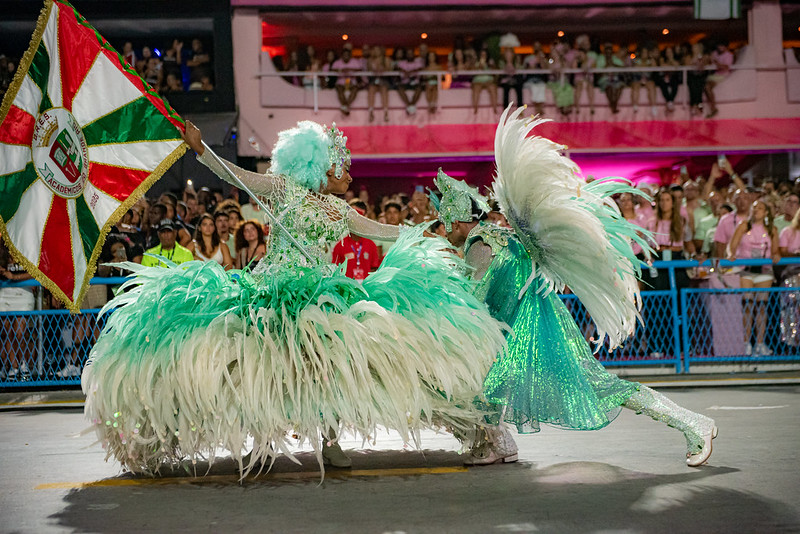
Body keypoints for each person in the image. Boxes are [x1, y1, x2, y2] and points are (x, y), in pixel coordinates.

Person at [82, 120, 506, 476]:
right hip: (271, 294)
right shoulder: (283, 192)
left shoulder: (341, 211)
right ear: (319, 167)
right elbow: (237, 177)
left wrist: (433, 233)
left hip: (323, 300)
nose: (350, 176)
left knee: (328, 370)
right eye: (342, 168)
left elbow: (386, 232)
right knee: (256, 368)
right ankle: (256, 437)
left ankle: (330, 439)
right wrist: (201, 150)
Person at [433, 106, 717, 467]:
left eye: (445, 224)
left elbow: (472, 305)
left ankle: (694, 423)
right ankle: (495, 445)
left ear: (459, 221)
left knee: (601, 387)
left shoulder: (479, 246)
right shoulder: (500, 235)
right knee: (488, 379)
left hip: (536, 332)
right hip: (532, 326)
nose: (444, 232)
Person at [728, 200, 780, 356]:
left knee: (761, 307)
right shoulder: (744, 226)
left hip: (764, 271)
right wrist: (731, 255)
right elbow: (733, 245)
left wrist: (776, 255)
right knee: (747, 305)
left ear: (766, 213)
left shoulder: (772, 229)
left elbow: (775, 250)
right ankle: (745, 342)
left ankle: (759, 343)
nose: (756, 210)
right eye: (754, 207)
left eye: (760, 208)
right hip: (747, 270)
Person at [0, 241, 33, 380]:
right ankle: (13, 368)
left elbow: (35, 272)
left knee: (20, 332)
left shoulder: (26, 249)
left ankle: (23, 364)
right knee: (8, 332)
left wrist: (15, 277)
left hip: (23, 293)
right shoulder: (2, 252)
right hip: (5, 292)